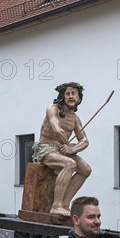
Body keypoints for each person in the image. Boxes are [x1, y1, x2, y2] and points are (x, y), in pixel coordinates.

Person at [32, 82, 91, 217]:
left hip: (62, 150)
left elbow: (85, 141)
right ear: (62, 96)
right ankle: (56, 206)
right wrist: (68, 146)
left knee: (85, 170)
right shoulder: (52, 109)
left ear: (79, 98)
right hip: (46, 148)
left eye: (74, 94)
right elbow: (57, 129)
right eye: (67, 93)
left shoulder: (75, 119)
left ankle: (65, 204)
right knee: (69, 164)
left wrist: (73, 149)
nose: (71, 96)